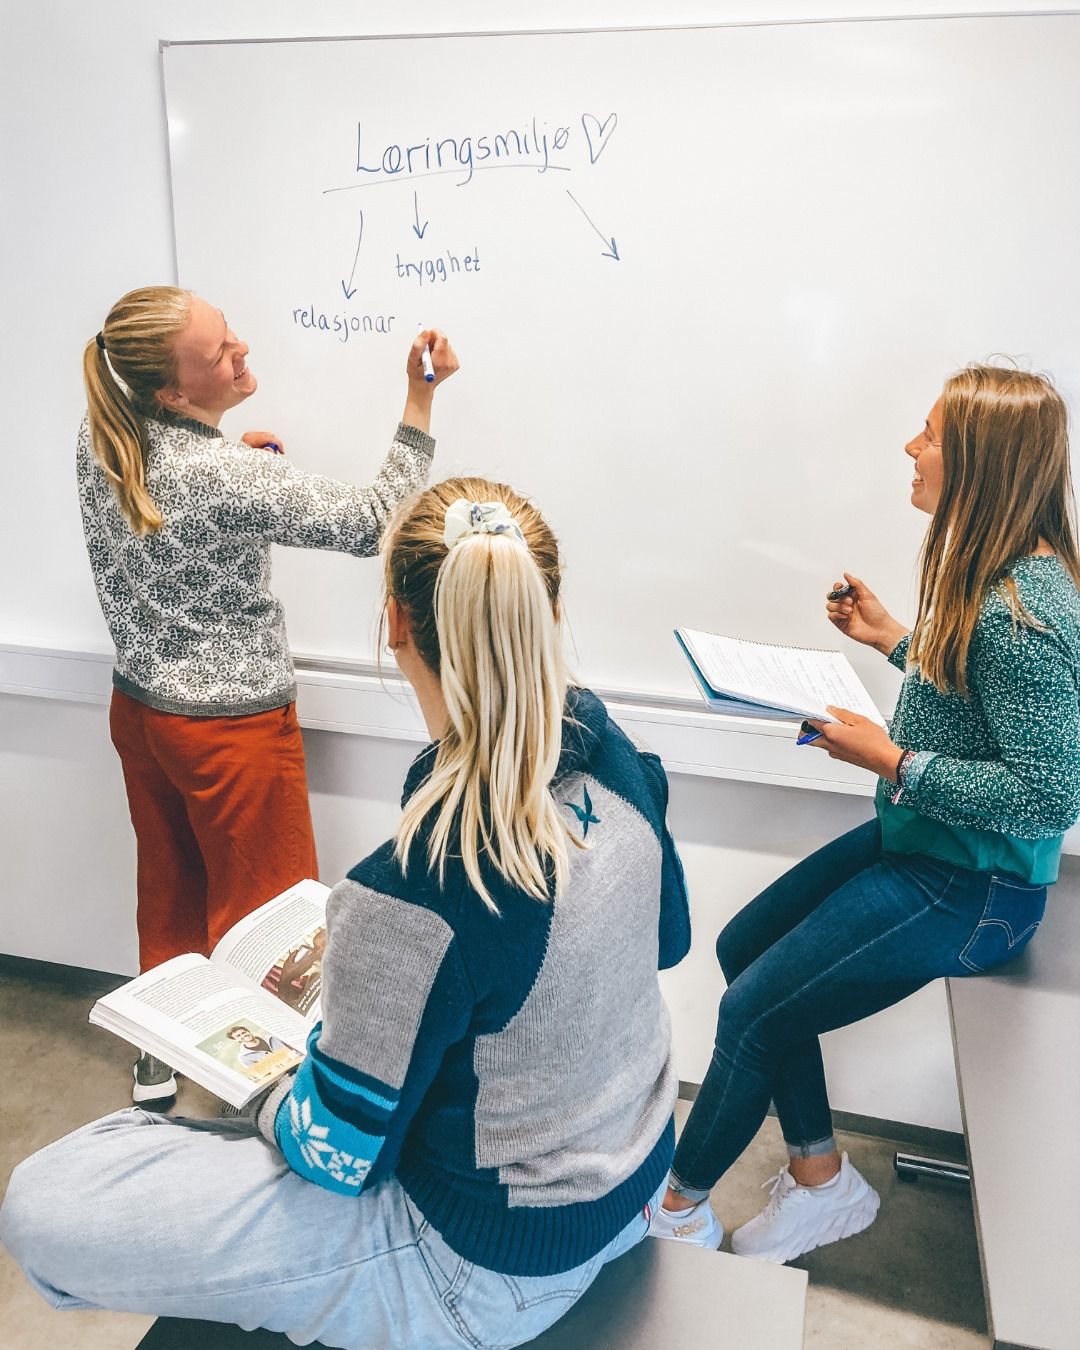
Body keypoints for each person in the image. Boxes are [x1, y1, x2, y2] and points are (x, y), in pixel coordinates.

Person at [1, 477, 691, 1348]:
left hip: (482, 1273)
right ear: (547, 607)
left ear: (395, 623)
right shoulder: (617, 756)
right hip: (627, 1181)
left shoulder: (416, 884)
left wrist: (268, 1089)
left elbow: (339, 1156)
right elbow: (666, 941)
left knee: (48, 1196)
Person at [651, 364, 1080, 1262]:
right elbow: (982, 699)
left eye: (929, 436)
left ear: (981, 465)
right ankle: (821, 1182)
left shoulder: (1020, 612)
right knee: (746, 955)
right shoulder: (1000, 575)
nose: (910, 449)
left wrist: (890, 758)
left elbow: (1050, 794)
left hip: (974, 887)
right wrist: (896, 640)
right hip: (925, 845)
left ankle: (676, 1211)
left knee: (753, 1010)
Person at [80, 286, 457, 1106]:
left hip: (144, 714)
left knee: (171, 893)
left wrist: (239, 462)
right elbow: (372, 521)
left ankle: (163, 1071)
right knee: (275, 928)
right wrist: (419, 397)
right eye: (220, 354)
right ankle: (256, 1100)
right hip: (229, 735)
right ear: (172, 393)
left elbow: (178, 505)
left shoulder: (105, 434)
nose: (242, 351)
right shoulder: (221, 475)